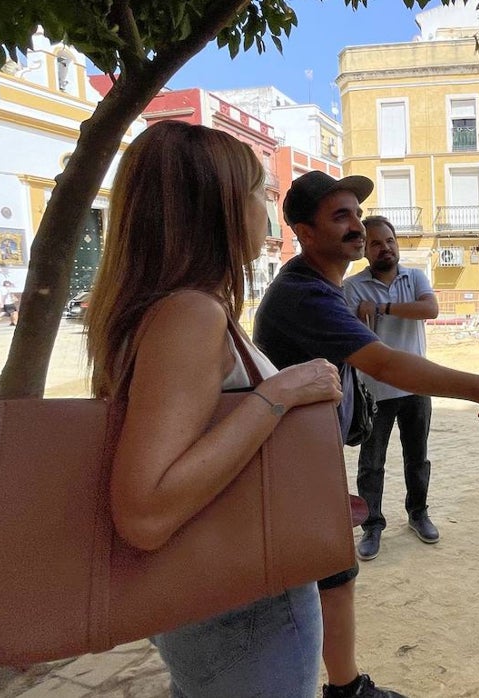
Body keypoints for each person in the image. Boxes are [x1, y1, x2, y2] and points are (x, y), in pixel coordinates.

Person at [254, 170, 479, 698]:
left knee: (331, 574)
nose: (356, 227)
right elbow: (388, 364)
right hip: (286, 462)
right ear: (303, 232)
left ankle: (345, 685)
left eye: (358, 215)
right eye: (340, 216)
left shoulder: (324, 287)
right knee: (316, 579)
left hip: (301, 456)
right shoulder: (307, 294)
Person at [84, 120, 343, 697]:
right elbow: (145, 511)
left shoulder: (158, 308)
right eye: (260, 193)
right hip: (243, 601)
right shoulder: (191, 315)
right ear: (218, 206)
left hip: (213, 601)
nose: (268, 210)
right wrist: (276, 395)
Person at [343, 215, 441, 560]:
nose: (385, 247)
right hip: (375, 392)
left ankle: (418, 514)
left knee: (417, 458)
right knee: (371, 463)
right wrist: (363, 314)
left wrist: (381, 307)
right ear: (365, 250)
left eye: (389, 240)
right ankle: (372, 526)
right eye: (375, 243)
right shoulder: (353, 287)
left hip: (417, 386)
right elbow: (354, 332)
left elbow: (430, 309)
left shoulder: (414, 277)